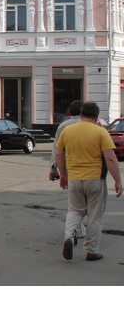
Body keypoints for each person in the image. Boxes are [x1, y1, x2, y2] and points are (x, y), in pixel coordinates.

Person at [55, 101, 122, 261]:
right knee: (95, 216)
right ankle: (91, 250)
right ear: (97, 116)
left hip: (74, 179)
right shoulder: (100, 132)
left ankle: (69, 237)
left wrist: (63, 175)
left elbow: (59, 154)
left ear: (81, 114)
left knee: (75, 211)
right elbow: (111, 158)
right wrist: (118, 181)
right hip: (95, 180)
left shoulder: (68, 130)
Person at [50, 100, 86, 240]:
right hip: (91, 169)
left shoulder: (63, 126)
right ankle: (84, 233)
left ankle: (77, 230)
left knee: (75, 202)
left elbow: (56, 149)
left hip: (69, 167)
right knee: (91, 200)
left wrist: (54, 168)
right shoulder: (92, 125)